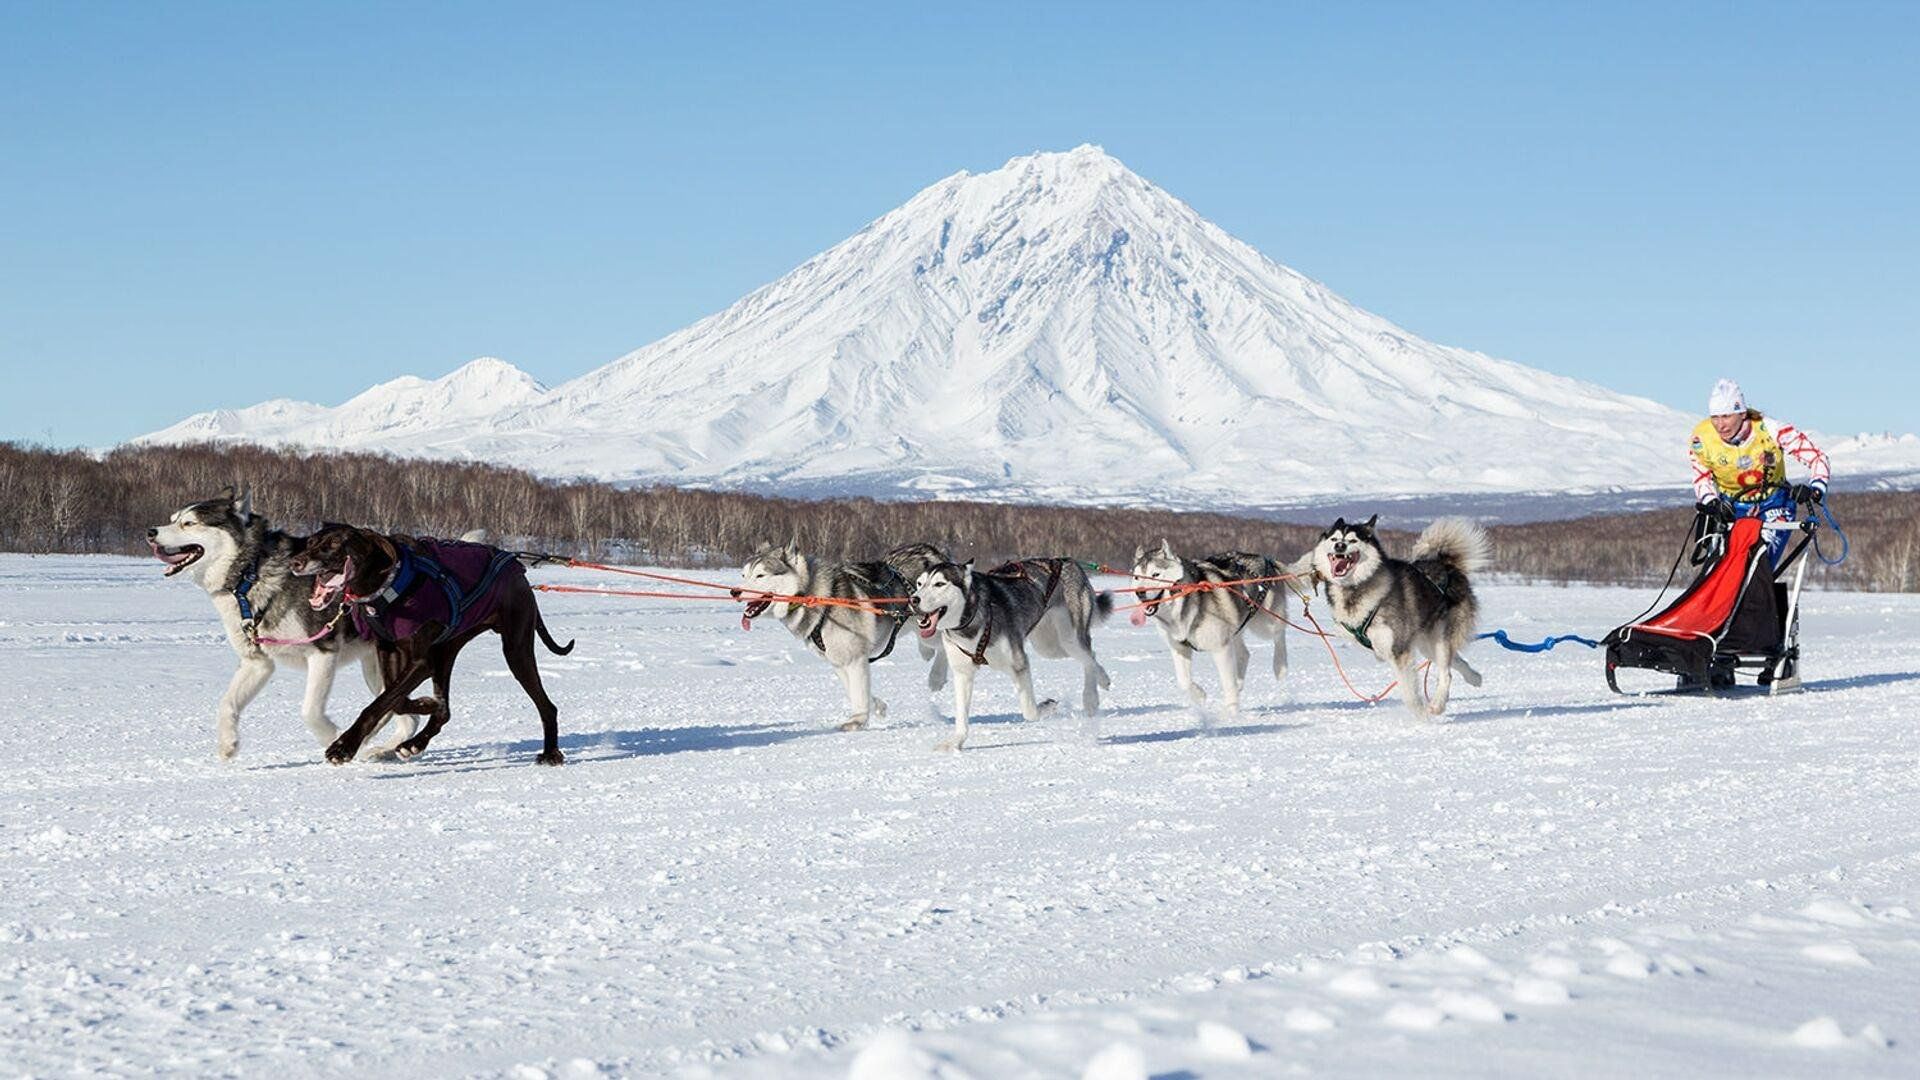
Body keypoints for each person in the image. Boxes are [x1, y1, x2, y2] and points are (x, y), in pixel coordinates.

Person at [1689, 378, 1830, 563]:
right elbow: (1701, 478)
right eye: (1715, 417)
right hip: (1731, 508)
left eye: (1726, 416)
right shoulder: (1702, 438)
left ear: (1742, 413)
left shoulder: (1772, 430)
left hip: (1774, 504)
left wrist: (1815, 489)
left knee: (1759, 563)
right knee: (1726, 568)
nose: (1720, 425)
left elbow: (1818, 458)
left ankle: (1763, 588)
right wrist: (1712, 502)